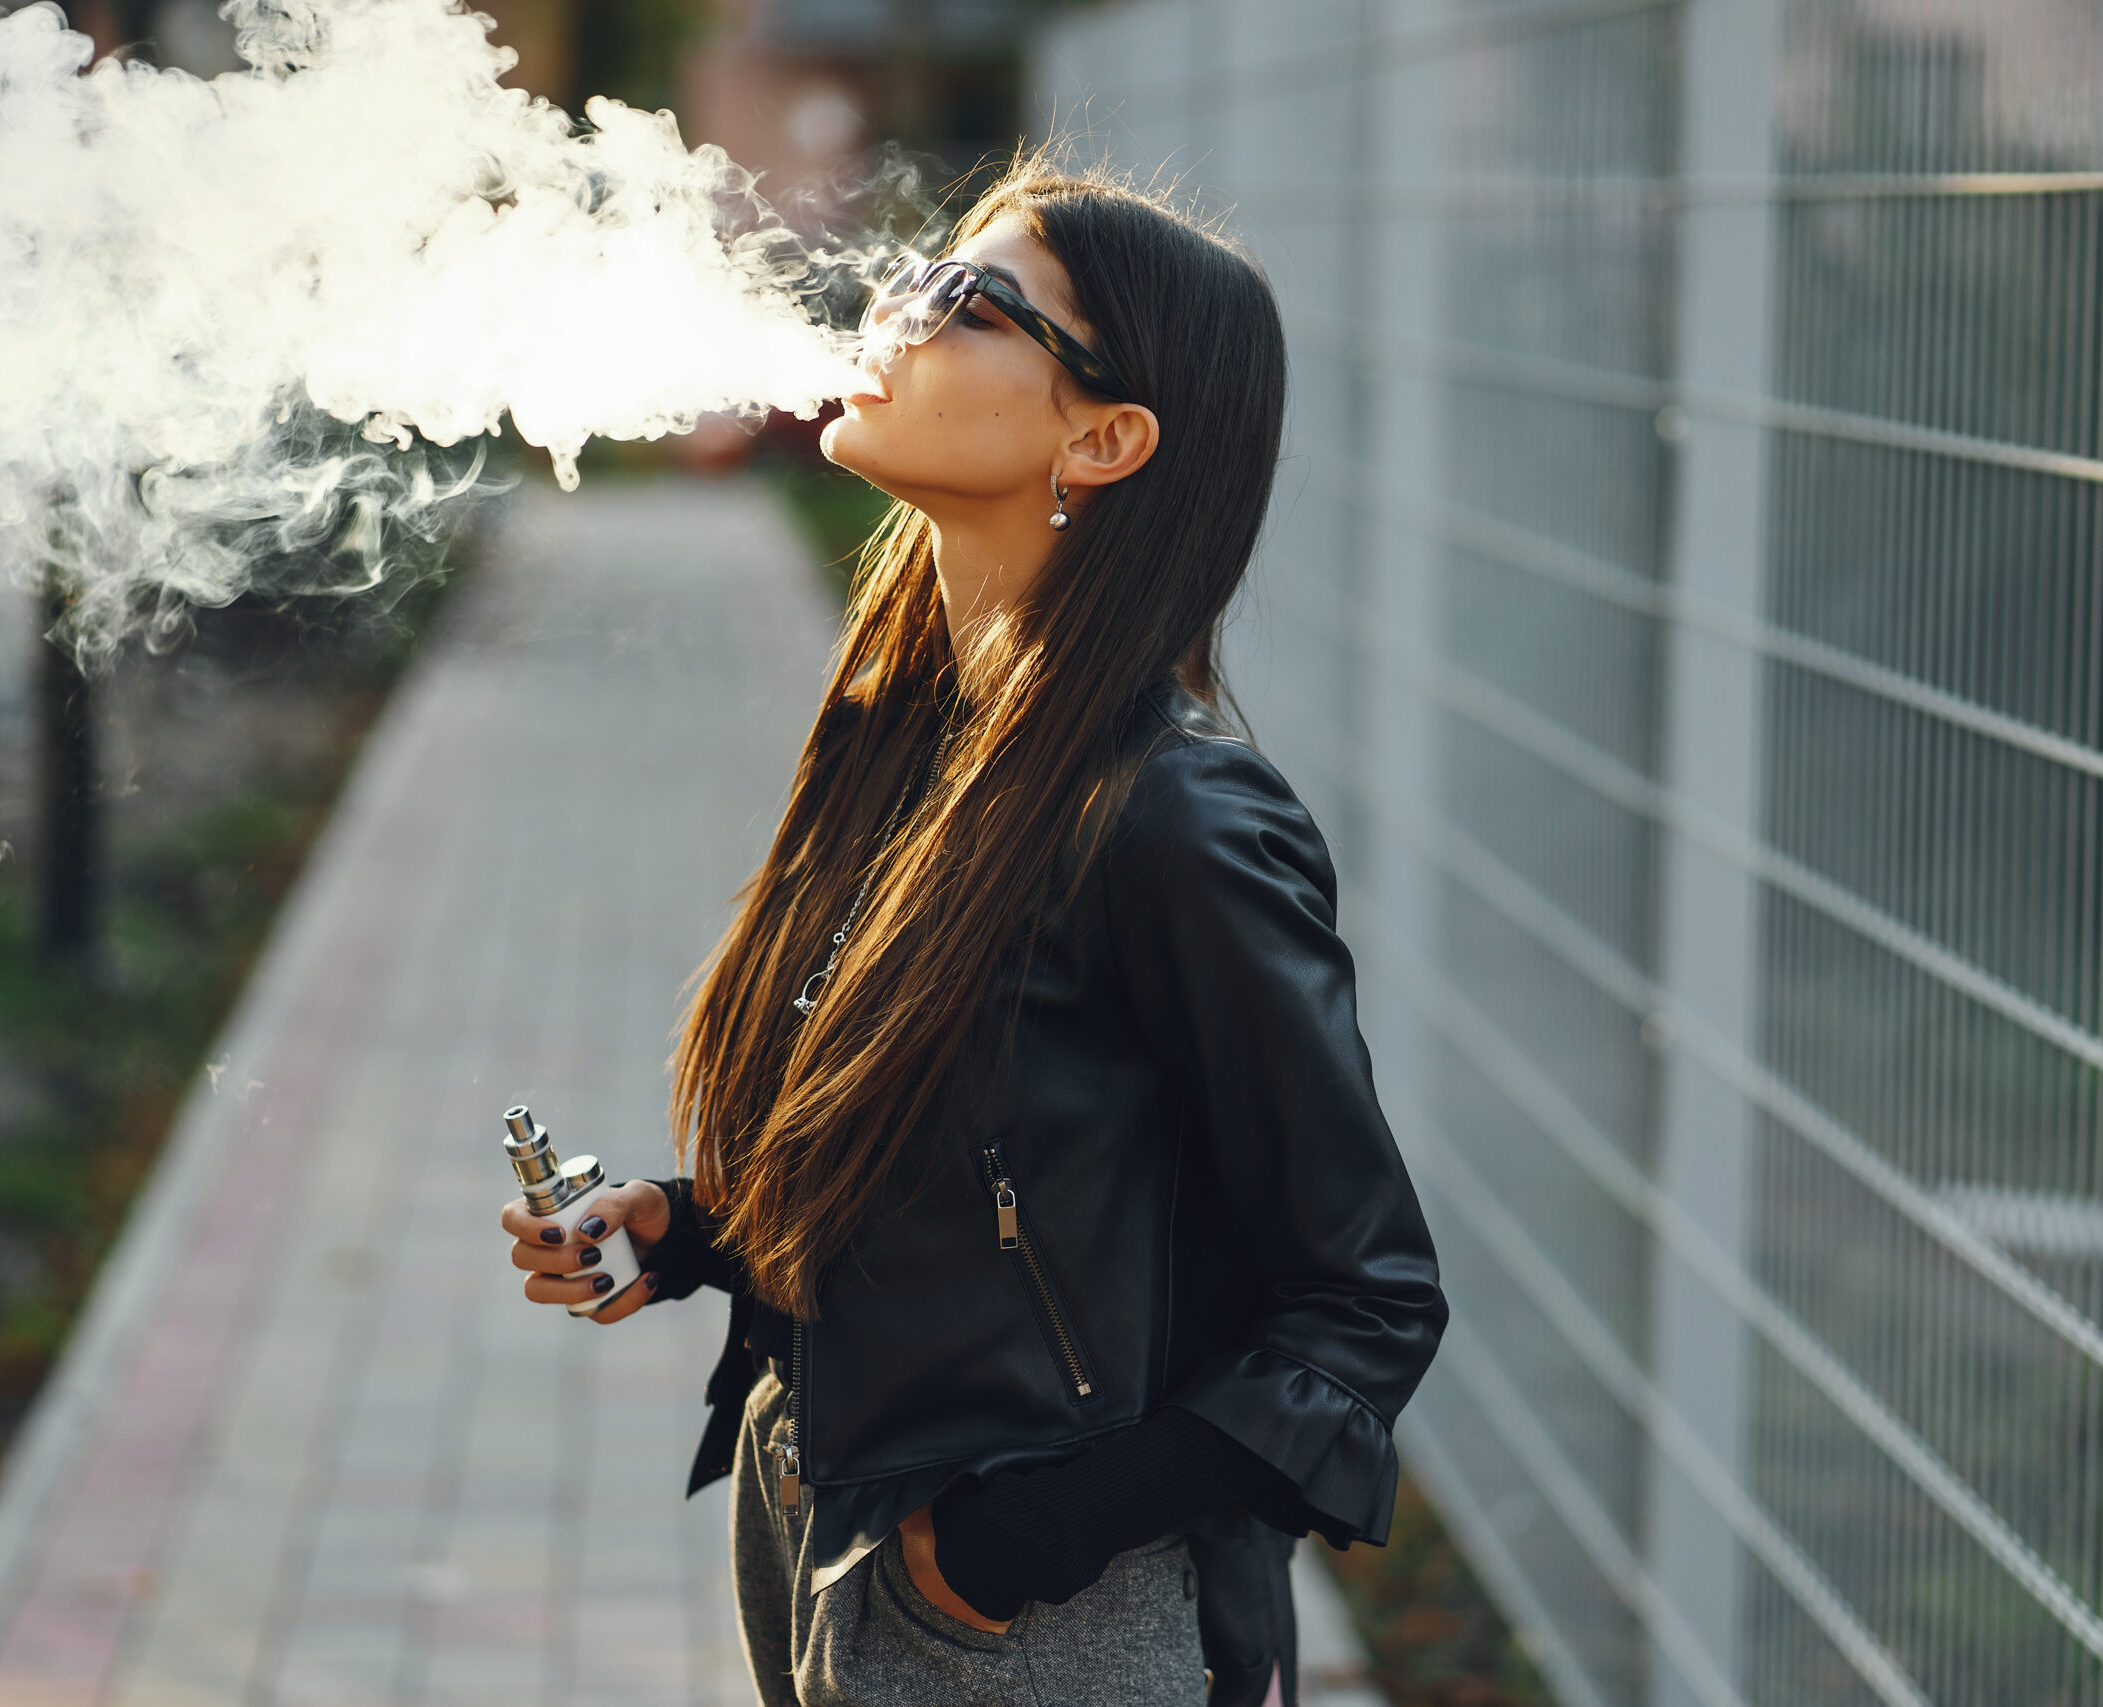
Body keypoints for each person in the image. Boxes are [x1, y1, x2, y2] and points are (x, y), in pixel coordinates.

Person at [499, 153, 1448, 1706]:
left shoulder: (1176, 819)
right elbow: (1003, 1183)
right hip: (833, 1530)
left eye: (968, 301)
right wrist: (686, 1232)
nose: (897, 310)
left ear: (1104, 437)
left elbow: (1367, 1301)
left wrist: (1012, 1554)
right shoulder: (910, 729)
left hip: (1048, 1622)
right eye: (916, 277)